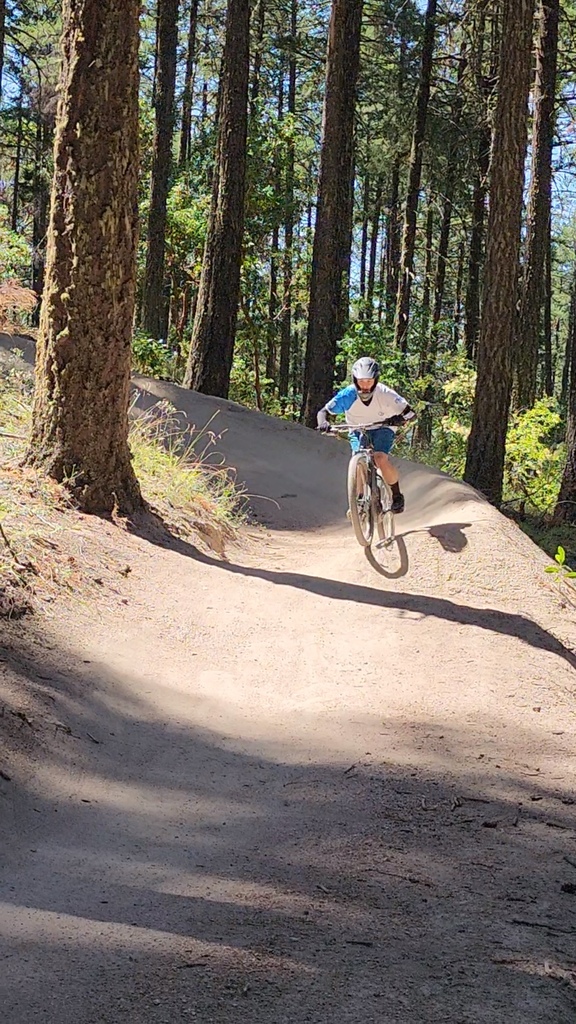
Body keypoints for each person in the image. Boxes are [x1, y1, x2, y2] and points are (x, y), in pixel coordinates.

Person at [316, 356, 415, 514]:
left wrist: (400, 419)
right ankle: (360, 500)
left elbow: (410, 413)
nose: (365, 385)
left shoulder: (385, 393)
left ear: (376, 380)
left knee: (380, 458)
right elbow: (323, 411)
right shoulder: (348, 394)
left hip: (383, 427)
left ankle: (396, 494)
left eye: (369, 381)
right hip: (357, 428)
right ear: (355, 380)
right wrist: (323, 423)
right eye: (361, 381)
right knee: (358, 461)